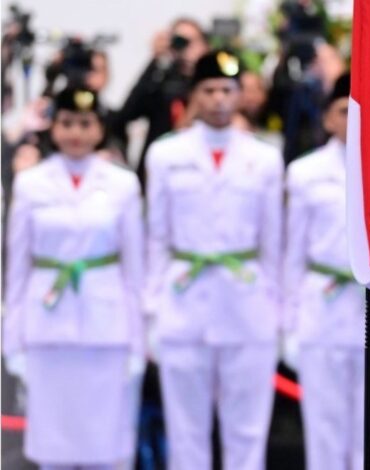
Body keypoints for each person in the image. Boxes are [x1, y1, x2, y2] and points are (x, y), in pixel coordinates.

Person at [144, 50, 283, 470]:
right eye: (209, 90)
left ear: (241, 94)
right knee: (186, 430)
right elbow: (156, 237)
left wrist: (279, 310)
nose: (219, 99)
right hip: (183, 300)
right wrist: (151, 310)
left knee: (248, 430)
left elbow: (274, 241)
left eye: (227, 89)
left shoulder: (264, 157)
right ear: (194, 96)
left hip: (247, 304)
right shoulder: (165, 155)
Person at [3, 86, 145, 468]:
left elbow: (135, 270)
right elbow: (17, 270)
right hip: (47, 325)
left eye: (85, 123)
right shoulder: (31, 184)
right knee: (54, 445)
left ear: (99, 129)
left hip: (107, 325)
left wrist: (138, 339)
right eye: (67, 123)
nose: (76, 133)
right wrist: (12, 340)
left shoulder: (122, 184)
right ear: (54, 127)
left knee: (108, 444)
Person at [282, 72, 370, 470]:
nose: (354, 120)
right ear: (328, 119)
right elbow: (292, 252)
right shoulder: (304, 173)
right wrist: (289, 323)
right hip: (322, 305)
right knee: (323, 428)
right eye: (344, 111)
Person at [114, 17, 209, 187]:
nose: (184, 47)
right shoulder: (160, 80)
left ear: (204, 45)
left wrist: (202, 68)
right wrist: (155, 60)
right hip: (156, 176)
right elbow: (127, 114)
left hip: (198, 175)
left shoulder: (214, 87)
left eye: (190, 41)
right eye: (179, 41)